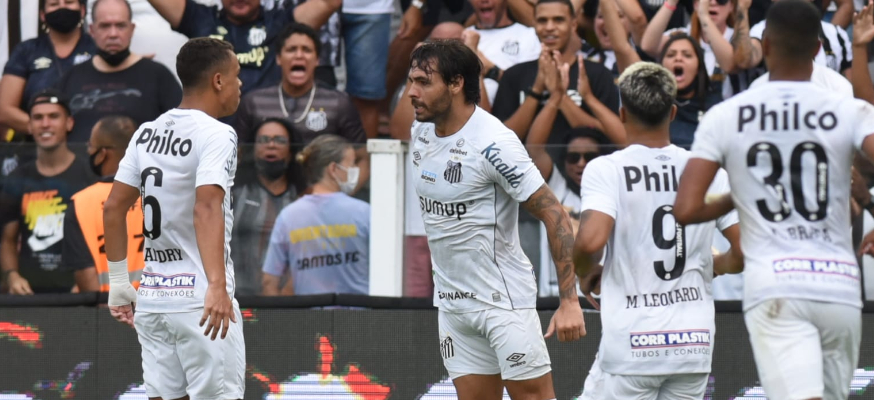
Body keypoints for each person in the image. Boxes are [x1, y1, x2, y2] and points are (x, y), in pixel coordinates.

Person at [673, 2, 874, 399]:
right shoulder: (851, 109)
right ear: (818, 50)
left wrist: (742, 192)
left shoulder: (728, 115)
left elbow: (687, 208)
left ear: (764, 47)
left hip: (776, 285)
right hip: (839, 287)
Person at [406, 40, 584, 400]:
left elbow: (556, 216)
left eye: (424, 82)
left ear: (456, 84)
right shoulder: (420, 131)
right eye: (411, 81)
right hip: (454, 305)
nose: (412, 92)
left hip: (503, 304)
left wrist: (569, 301)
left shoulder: (495, 144)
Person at [573, 60, 742, 399]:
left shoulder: (607, 169)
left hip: (633, 345)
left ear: (621, 114)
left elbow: (591, 240)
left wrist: (586, 270)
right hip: (693, 345)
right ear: (674, 113)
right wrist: (717, 265)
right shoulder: (708, 171)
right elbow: (745, 251)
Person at [103, 37, 244, 400]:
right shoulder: (218, 134)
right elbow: (206, 206)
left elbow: (114, 206)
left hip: (153, 299)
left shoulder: (146, 132)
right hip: (200, 301)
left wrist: (119, 282)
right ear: (217, 80)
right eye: (237, 75)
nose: (240, 85)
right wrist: (216, 285)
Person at [233, 23, 370, 192]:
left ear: (317, 59)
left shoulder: (339, 103)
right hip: (265, 201)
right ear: (278, 58)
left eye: (306, 50)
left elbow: (363, 158)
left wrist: (339, 200)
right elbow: (238, 156)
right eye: (291, 50)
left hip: (320, 202)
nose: (299, 56)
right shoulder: (253, 101)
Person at [0, 89, 97, 294]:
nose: (45, 124)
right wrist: (12, 276)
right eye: (38, 118)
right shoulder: (16, 179)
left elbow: (102, 237)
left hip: (80, 295)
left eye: (53, 116)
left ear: (69, 123)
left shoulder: (90, 176)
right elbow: (7, 239)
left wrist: (87, 281)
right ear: (29, 126)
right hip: (31, 296)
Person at [492, 0, 619, 150]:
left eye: (558, 20)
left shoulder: (596, 74)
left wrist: (559, 95)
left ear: (573, 24)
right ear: (534, 25)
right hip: (527, 169)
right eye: (542, 21)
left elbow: (608, 137)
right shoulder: (514, 75)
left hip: (581, 166)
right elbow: (501, 142)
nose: (550, 27)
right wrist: (537, 90)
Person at [146, 0, 340, 96]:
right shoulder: (200, 19)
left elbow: (329, 2)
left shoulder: (281, 23)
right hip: (211, 130)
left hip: (265, 132)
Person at [57, 0, 182, 142]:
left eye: (120, 26)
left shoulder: (158, 76)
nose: (113, 34)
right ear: (92, 30)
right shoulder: (72, 77)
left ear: (132, 29)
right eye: (105, 26)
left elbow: (182, 129)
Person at [261, 134, 370, 296]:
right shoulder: (364, 212)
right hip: (358, 318)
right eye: (352, 164)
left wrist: (280, 320)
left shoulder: (288, 216)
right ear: (333, 169)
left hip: (308, 318)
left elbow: (269, 281)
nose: (355, 170)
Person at [62, 115, 143, 293]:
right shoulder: (157, 196)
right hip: (157, 311)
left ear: (102, 154)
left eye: (91, 146)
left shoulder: (81, 203)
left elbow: (86, 275)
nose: (89, 151)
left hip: (107, 313)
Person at [0, 0, 96, 136]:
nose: (62, 7)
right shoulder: (26, 51)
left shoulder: (97, 49)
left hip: (90, 142)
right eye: (54, 4)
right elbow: (4, 109)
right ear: (42, 15)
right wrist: (45, 127)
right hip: (37, 148)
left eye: (69, 2)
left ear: (82, 10)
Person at [232, 118, 304, 296]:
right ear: (253, 148)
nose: (271, 145)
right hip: (238, 297)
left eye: (280, 140)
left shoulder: (302, 198)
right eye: (263, 140)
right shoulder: (234, 193)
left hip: (289, 301)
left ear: (291, 150)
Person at [641, 0, 738, 99]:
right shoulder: (682, 36)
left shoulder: (738, 38)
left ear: (731, 6)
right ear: (696, 4)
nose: (712, 3)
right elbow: (648, 46)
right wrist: (671, 3)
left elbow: (730, 65)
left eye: (721, 0)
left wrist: (705, 17)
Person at [733, 0, 853, 77]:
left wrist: (859, 47)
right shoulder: (762, 30)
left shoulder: (836, 35)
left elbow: (851, 91)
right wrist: (742, 9)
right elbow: (745, 60)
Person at [463, 0, 542, 105]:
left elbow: (529, 87)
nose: (484, 1)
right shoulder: (461, 36)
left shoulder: (528, 35)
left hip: (509, 114)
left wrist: (491, 70)